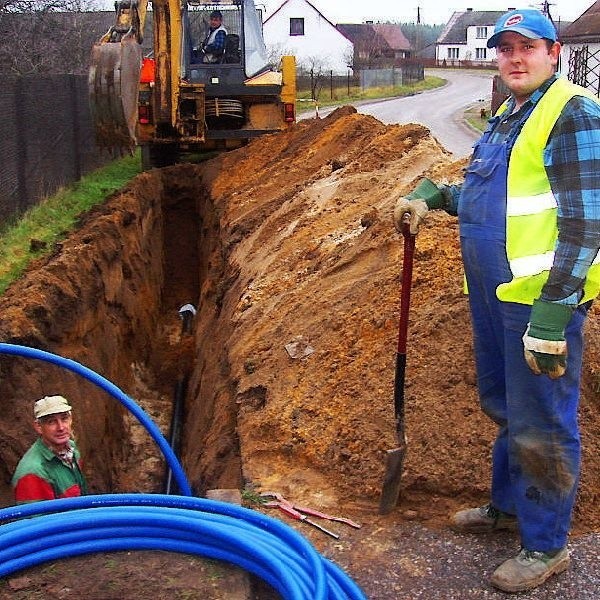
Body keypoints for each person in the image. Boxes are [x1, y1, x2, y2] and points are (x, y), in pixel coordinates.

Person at [393, 8, 600, 594]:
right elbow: (492, 198)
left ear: (553, 52)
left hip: (539, 305)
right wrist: (432, 195)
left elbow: (587, 223)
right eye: (505, 47)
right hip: (493, 295)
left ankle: (544, 545)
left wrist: (554, 315)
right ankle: (508, 510)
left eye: (527, 47)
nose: (514, 57)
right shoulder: (510, 114)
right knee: (505, 408)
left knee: (541, 423)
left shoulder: (572, 114)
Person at [12, 395, 87, 504]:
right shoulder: (32, 473)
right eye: (51, 422)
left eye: (64, 418)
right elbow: (37, 519)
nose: (61, 427)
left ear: (71, 419)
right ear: (38, 426)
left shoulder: (72, 449)